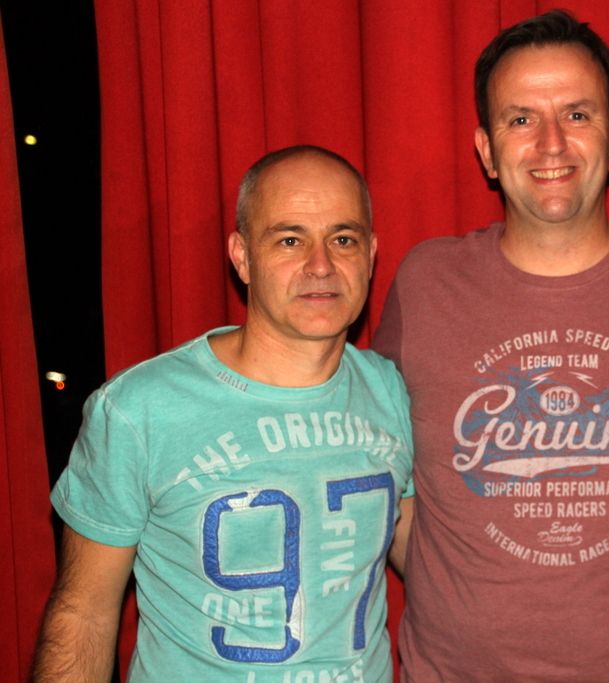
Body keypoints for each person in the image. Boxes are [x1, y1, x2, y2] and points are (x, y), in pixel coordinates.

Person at [373, 10, 609, 681]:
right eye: (521, 119)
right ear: (487, 151)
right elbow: (373, 454)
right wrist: (441, 569)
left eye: (577, 114)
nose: (551, 143)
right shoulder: (426, 283)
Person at [33, 145, 414, 682]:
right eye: (289, 240)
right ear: (241, 256)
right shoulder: (140, 409)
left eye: (343, 239)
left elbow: (433, 563)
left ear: (371, 255)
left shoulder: (390, 391)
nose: (321, 265)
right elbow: (84, 614)